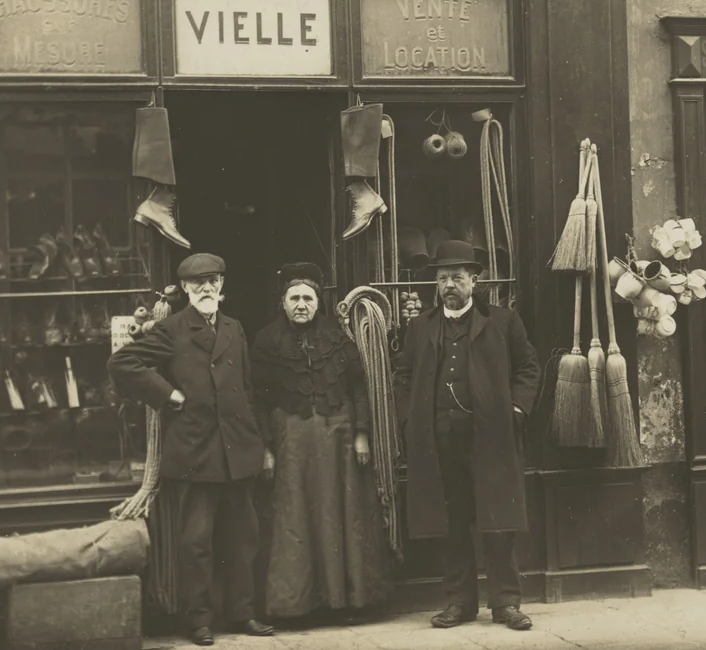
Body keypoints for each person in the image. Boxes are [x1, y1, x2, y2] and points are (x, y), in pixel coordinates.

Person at [107, 253, 276, 646]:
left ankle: (242, 613)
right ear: (184, 289)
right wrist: (169, 395)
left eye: (213, 281)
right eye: (197, 283)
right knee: (196, 541)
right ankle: (198, 621)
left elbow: (248, 391)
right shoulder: (171, 329)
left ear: (222, 287)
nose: (206, 289)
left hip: (238, 448)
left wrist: (260, 444)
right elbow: (123, 363)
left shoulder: (235, 328)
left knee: (244, 537)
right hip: (196, 450)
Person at [394, 240, 541, 631]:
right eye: (442, 279)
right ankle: (458, 604)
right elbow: (403, 376)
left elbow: (529, 368)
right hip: (440, 441)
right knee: (452, 523)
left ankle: (506, 604)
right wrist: (411, 420)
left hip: (491, 439)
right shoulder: (420, 327)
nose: (449, 285)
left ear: (474, 281)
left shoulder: (503, 321)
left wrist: (515, 409)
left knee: (498, 522)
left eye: (457, 277)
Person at [251, 263, 393, 623]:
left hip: (339, 444)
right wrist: (266, 448)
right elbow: (258, 401)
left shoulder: (337, 337)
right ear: (282, 303)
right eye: (294, 298)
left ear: (318, 302)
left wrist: (362, 435)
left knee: (341, 516)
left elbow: (358, 388)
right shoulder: (266, 342)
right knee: (295, 518)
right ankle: (297, 606)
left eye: (308, 298)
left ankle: (346, 601)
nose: (301, 304)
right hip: (291, 447)